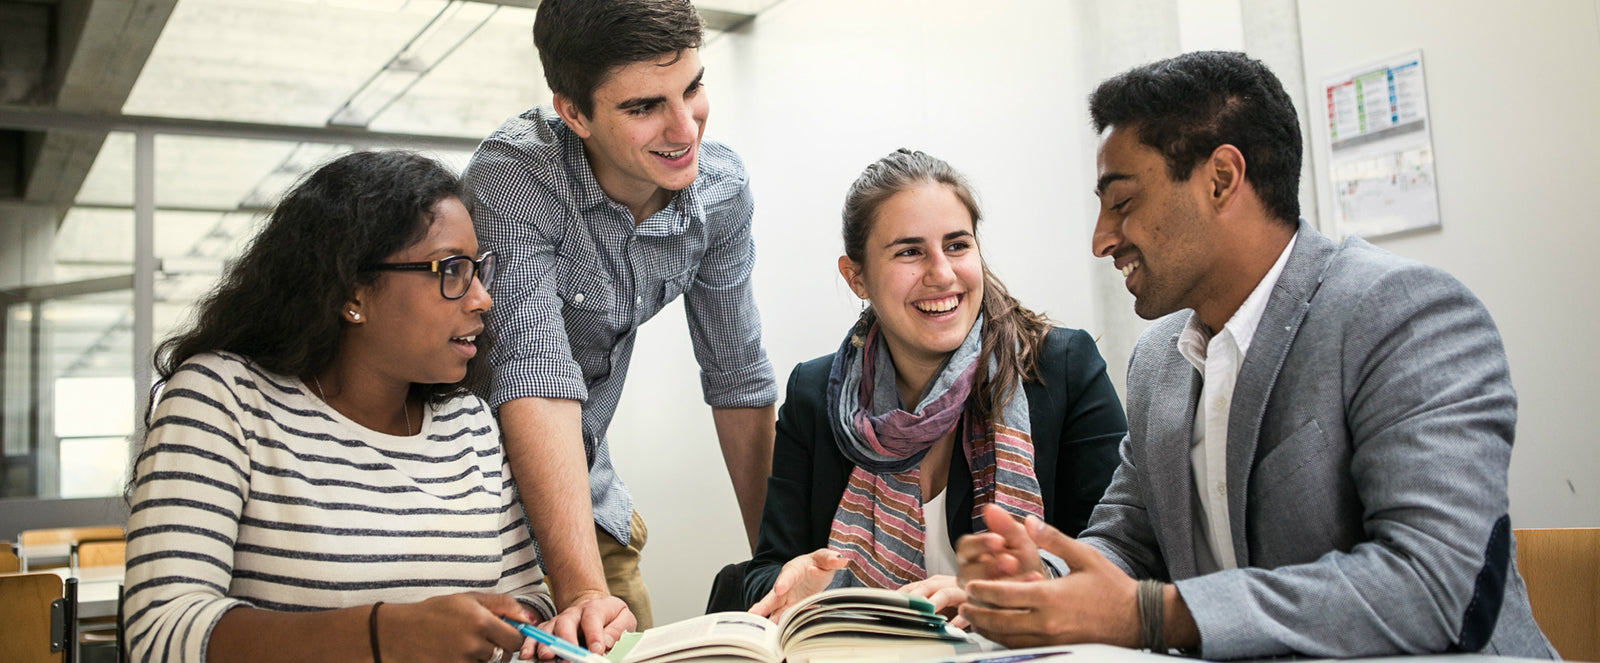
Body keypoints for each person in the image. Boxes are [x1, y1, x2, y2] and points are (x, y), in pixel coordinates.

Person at [954, 51, 1556, 659]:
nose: (1101, 239)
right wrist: (1041, 582)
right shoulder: (1159, 360)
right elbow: (1129, 543)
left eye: (1123, 202)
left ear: (1221, 178)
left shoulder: (1404, 314)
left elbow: (1431, 589)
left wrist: (1152, 617)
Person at [123, 151, 553, 663]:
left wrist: (549, 628)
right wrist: (384, 637)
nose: (482, 297)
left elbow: (528, 598)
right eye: (453, 269)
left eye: (479, 269)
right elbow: (160, 634)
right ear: (353, 293)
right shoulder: (223, 397)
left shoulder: (470, 421)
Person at [463, 0, 778, 639]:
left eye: (691, 88)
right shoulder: (517, 176)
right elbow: (535, 376)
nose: (685, 127)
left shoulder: (720, 190)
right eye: (643, 107)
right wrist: (581, 593)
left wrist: (777, 561)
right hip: (471, 518)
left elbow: (738, 378)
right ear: (573, 112)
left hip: (594, 510)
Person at [742, 149, 1127, 621]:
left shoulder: (1063, 368)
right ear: (856, 276)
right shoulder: (813, 392)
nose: (942, 274)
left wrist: (1016, 588)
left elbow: (1117, 554)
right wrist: (797, 583)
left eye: (957, 245)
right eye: (909, 251)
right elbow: (767, 571)